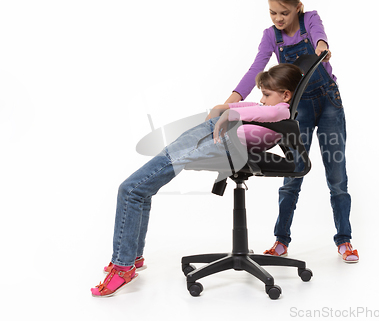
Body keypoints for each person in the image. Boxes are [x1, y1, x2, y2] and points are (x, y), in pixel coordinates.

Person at [91, 63, 304, 297]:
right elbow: (254, 106)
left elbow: (270, 112)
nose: (262, 100)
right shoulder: (265, 110)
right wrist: (224, 107)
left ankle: (123, 267)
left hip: (222, 142)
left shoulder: (281, 111)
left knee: (131, 190)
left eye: (266, 94)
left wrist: (229, 114)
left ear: (285, 95)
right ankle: (132, 258)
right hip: (216, 137)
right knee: (140, 189)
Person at [224, 0, 359, 263]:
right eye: (273, 12)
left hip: (330, 103)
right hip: (300, 109)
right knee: (293, 173)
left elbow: (319, 35)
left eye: (284, 12)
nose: (278, 19)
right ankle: (281, 240)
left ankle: (344, 240)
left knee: (337, 175)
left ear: (298, 7)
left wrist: (322, 46)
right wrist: (232, 100)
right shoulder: (271, 36)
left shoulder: (310, 19)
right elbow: (256, 68)